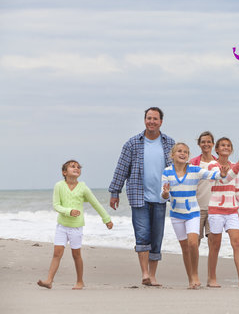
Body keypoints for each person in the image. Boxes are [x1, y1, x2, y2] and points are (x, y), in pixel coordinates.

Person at [161, 142, 239, 289]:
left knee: (193, 243)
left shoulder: (195, 170)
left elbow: (213, 175)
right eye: (180, 151)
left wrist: (222, 174)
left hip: (193, 213)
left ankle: (195, 275)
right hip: (176, 214)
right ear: (173, 155)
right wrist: (165, 193)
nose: (183, 154)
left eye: (186, 152)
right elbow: (163, 195)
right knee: (185, 248)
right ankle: (191, 279)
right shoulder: (167, 172)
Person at [108, 107, 174, 286]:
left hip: (161, 197)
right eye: (149, 118)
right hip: (139, 196)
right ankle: (144, 273)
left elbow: (178, 170)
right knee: (142, 235)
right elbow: (122, 168)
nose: (151, 121)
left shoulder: (169, 143)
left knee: (156, 238)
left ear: (161, 121)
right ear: (145, 120)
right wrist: (115, 192)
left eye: (155, 119)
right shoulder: (132, 143)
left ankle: (152, 276)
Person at [37, 160, 113, 290]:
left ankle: (80, 281)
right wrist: (69, 211)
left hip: (76, 227)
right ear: (64, 172)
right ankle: (49, 280)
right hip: (62, 226)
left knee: (76, 254)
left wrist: (106, 219)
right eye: (73, 166)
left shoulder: (83, 188)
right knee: (57, 253)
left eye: (78, 167)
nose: (76, 168)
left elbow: (96, 204)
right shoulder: (59, 186)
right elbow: (56, 205)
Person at [207, 137, 239, 288]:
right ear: (216, 149)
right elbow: (223, 179)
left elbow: (236, 189)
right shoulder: (212, 165)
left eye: (228, 145)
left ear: (231, 149)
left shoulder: (234, 166)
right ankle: (211, 278)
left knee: (237, 243)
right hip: (215, 211)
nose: (225, 147)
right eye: (222, 145)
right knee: (215, 245)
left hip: (231, 211)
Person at [189, 131, 217, 245]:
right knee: (194, 243)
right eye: (203, 142)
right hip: (197, 209)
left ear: (213, 144)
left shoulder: (218, 163)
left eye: (209, 142)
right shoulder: (193, 163)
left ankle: (211, 264)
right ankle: (193, 264)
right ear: (199, 144)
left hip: (214, 209)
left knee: (213, 243)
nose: (206, 144)